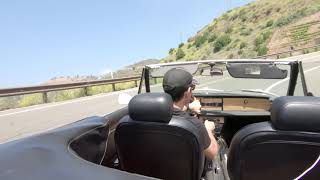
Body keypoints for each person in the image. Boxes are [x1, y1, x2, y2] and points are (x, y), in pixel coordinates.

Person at [162, 68, 219, 160]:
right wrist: (208, 129)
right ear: (187, 93)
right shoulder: (194, 124)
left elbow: (176, 109)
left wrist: (188, 107)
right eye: (192, 89)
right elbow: (213, 154)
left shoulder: (152, 115)